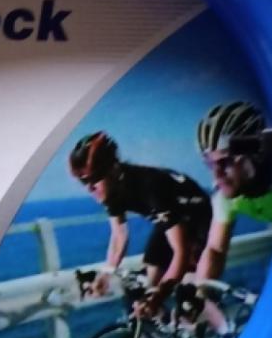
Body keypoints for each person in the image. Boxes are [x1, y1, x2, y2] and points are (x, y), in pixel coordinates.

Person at [68, 131, 211, 316]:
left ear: (113, 169)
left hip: (197, 212)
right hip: (171, 216)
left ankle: (218, 327)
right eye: (83, 181)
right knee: (150, 276)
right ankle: (159, 322)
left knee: (188, 296)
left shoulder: (149, 187)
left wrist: (160, 295)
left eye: (94, 179)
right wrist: (106, 274)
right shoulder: (112, 190)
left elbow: (181, 252)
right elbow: (119, 236)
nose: (90, 188)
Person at [194, 101, 272, 281]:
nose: (216, 175)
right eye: (210, 164)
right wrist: (201, 290)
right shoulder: (224, 196)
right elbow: (215, 250)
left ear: (255, 155)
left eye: (225, 162)